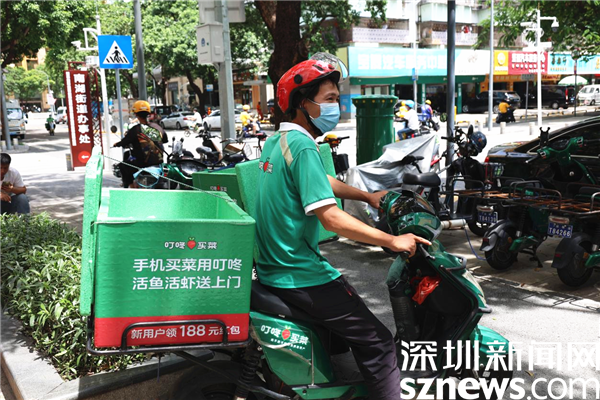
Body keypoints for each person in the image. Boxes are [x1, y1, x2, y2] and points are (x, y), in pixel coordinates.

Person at [255, 55, 430, 400]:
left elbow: (321, 181)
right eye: (330, 99)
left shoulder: (279, 141)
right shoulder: (303, 146)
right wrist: (392, 240)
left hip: (275, 268)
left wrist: (367, 196)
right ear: (303, 104)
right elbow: (330, 217)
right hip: (300, 273)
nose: (336, 106)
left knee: (342, 333)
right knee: (379, 343)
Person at [112, 100, 168, 188]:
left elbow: (124, 142)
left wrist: (116, 144)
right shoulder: (157, 127)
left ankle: (130, 187)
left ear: (136, 115)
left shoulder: (135, 129)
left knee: (123, 166)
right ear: (148, 113)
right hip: (159, 162)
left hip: (142, 163)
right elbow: (164, 140)